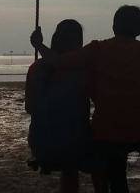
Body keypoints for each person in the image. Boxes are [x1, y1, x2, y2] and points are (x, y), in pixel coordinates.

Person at [31, 5, 140, 193]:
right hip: (137, 128)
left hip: (104, 132)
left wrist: (39, 45)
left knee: (115, 169)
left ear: (114, 27)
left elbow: (58, 61)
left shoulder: (96, 50)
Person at [25, 19, 104, 193]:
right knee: (100, 155)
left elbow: (29, 107)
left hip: (41, 145)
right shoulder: (83, 70)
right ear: (79, 43)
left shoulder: (36, 68)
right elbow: (100, 102)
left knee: (70, 156)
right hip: (75, 145)